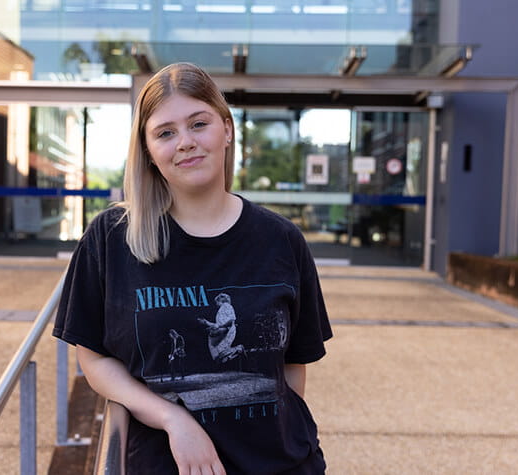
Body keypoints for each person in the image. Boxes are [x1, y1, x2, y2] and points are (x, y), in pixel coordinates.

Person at [53, 62, 332, 474]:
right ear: (148, 150)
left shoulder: (281, 240)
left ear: (227, 129)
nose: (185, 142)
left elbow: (292, 366)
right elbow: (93, 359)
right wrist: (172, 419)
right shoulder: (112, 239)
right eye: (166, 132)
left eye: (198, 124)